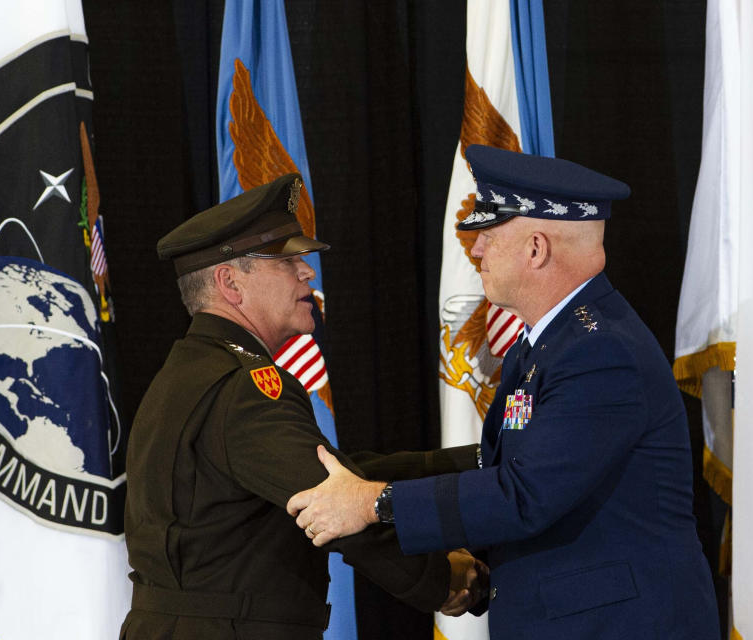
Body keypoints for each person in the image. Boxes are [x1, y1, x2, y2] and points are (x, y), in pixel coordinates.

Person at [287, 146, 721, 639]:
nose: (474, 251)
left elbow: (524, 493)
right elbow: (499, 463)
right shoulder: (549, 343)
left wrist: (374, 502)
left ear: (536, 249)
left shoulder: (601, 352)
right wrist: (369, 473)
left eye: (487, 236)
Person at [120, 173, 487, 640]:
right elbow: (329, 504)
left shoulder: (186, 373)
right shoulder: (245, 387)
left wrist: (472, 462)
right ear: (230, 282)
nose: (307, 272)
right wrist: (443, 581)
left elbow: (339, 475)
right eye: (286, 260)